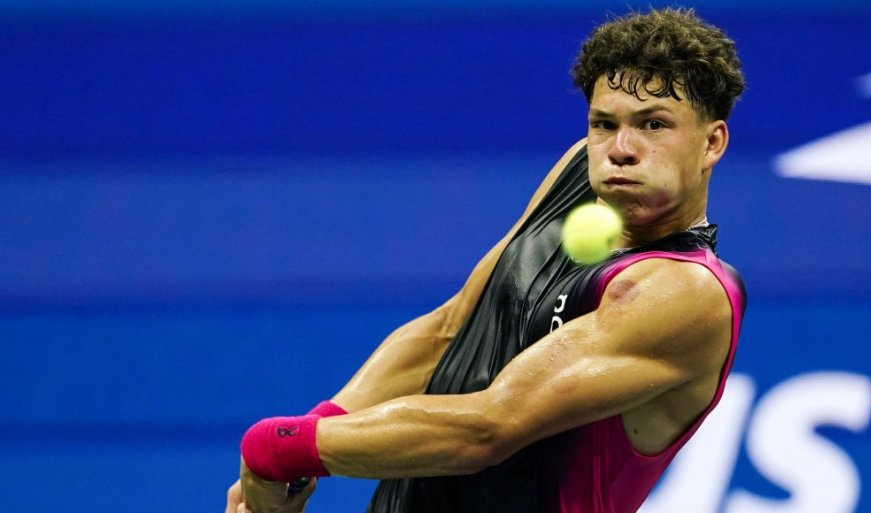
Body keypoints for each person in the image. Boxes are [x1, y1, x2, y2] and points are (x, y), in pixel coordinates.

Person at [225, 6, 747, 513]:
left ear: (712, 143)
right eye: (604, 123)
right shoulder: (579, 174)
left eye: (654, 124)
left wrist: (281, 449)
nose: (621, 148)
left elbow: (489, 428)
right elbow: (449, 330)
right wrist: (308, 444)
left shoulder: (685, 294)